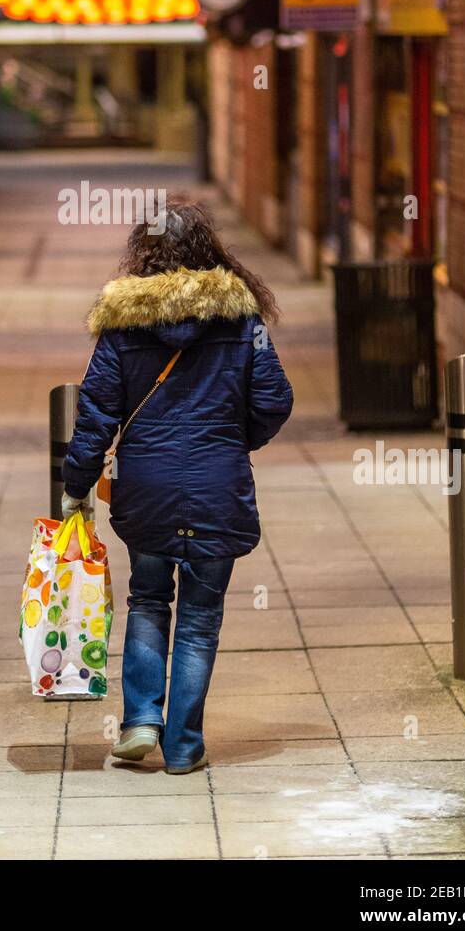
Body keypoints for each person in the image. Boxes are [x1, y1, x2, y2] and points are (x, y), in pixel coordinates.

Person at [61, 200, 293, 774]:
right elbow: (275, 401)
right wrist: (234, 442)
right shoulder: (243, 322)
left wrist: (76, 486)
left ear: (144, 253)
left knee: (148, 601)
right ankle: (184, 745)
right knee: (199, 620)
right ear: (209, 249)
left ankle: (141, 720)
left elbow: (96, 415)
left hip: (148, 489)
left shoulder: (121, 327)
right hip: (219, 486)